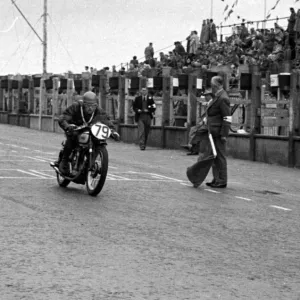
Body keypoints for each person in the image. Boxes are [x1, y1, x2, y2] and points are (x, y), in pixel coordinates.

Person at [56, 91, 120, 175]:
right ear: (83, 104)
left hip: (90, 130)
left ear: (96, 105)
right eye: (88, 106)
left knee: (97, 139)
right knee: (73, 137)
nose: (90, 108)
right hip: (75, 129)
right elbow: (63, 118)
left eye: (93, 106)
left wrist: (113, 132)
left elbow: (107, 122)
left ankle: (89, 162)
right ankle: (64, 161)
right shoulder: (76, 107)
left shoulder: (99, 111)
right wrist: (68, 126)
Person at [205, 76, 231, 188]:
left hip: (218, 132)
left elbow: (227, 118)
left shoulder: (223, 98)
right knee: (214, 156)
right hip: (213, 131)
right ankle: (216, 178)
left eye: (212, 84)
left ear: (217, 85)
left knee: (220, 156)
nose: (212, 86)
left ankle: (222, 180)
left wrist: (224, 134)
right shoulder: (218, 96)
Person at [183, 89, 214, 155]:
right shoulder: (209, 103)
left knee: (196, 131)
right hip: (206, 123)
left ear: (210, 96)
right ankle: (192, 146)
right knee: (194, 130)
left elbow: (209, 114)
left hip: (209, 124)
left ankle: (191, 146)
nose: (205, 97)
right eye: (205, 96)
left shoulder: (212, 103)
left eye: (206, 95)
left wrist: (203, 121)